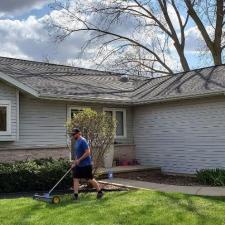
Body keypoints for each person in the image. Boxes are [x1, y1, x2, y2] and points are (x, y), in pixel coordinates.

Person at [70, 128, 103, 201]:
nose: (73, 136)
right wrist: (75, 162)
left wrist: (80, 160)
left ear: (79, 133)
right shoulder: (77, 142)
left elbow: (88, 152)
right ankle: (75, 195)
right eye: (73, 134)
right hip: (79, 165)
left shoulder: (83, 141)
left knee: (89, 179)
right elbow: (77, 154)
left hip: (86, 164)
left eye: (74, 134)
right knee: (75, 178)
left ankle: (100, 192)